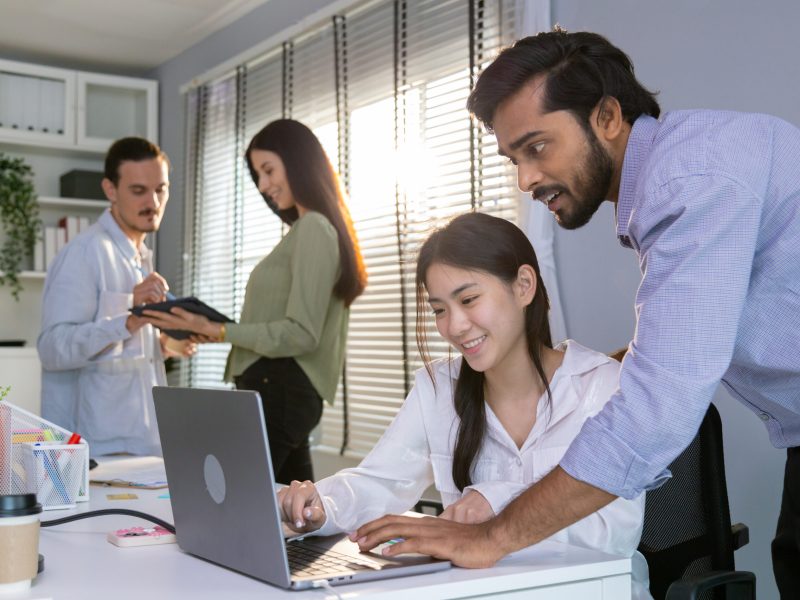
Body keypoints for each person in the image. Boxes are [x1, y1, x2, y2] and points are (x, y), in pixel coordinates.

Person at [349, 26, 800, 597]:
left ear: (608, 117)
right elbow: (692, 338)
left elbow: (657, 411)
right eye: (513, 157)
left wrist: (491, 535)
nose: (525, 178)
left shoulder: (690, 182)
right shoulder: (686, 171)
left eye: (537, 147)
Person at [277, 212, 652, 599]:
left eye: (469, 299)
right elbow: (381, 480)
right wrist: (321, 504)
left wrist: (494, 499)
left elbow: (614, 534)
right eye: (440, 309)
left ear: (523, 286)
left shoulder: (602, 385)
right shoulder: (439, 388)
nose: (454, 326)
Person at [142, 119, 367, 484]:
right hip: (279, 388)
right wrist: (211, 330)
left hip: (279, 387)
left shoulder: (313, 230)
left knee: (231, 499)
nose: (263, 185)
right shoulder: (306, 231)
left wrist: (217, 328)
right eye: (257, 175)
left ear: (298, 162)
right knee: (296, 513)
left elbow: (301, 334)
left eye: (268, 170)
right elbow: (284, 324)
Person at [38, 137, 194, 456]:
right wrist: (131, 317)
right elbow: (52, 349)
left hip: (143, 448)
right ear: (110, 190)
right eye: (138, 191)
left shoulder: (141, 255)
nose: (153, 201)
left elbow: (117, 354)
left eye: (160, 189)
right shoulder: (84, 254)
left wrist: (162, 346)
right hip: (96, 455)